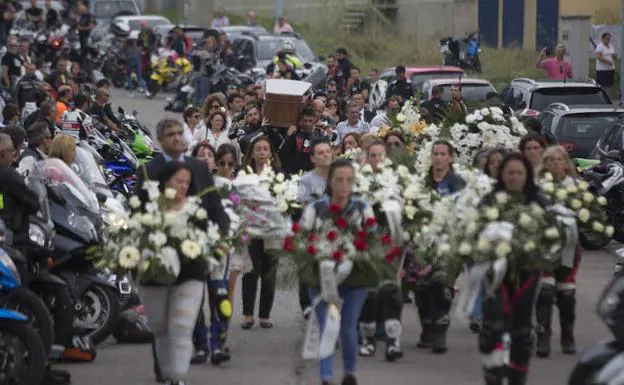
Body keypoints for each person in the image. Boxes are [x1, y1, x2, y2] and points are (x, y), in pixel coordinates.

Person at [135, 119, 229, 384]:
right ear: (160, 140)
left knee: (181, 323)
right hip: (157, 258)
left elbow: (215, 207)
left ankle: (177, 375)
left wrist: (221, 235)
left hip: (192, 257)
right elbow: (137, 210)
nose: (177, 138)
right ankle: (163, 371)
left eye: (180, 133)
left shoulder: (199, 168)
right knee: (161, 324)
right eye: (170, 134)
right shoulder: (147, 170)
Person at [298, 159, 374, 385]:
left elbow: (374, 238)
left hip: (355, 277)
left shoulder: (362, 207)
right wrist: (316, 253)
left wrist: (360, 251)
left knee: (349, 329)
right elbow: (301, 237)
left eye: (349, 180)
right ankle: (327, 378)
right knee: (327, 327)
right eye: (339, 180)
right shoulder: (316, 208)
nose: (344, 185)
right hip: (322, 277)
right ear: (330, 182)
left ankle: (350, 373)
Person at [477, 152, 547, 385]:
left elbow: (552, 233)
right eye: (510, 172)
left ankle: (518, 376)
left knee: (522, 331)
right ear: (502, 175)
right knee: (493, 326)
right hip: (495, 273)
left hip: (527, 272)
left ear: (527, 175)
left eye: (519, 173)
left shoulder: (538, 201)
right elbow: (473, 230)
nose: (515, 177)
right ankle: (493, 375)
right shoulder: (489, 200)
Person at [412, 140, 465, 355]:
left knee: (442, 285)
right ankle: (427, 328)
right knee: (422, 289)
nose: (439, 158)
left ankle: (440, 330)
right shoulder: (421, 183)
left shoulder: (458, 184)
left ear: (450, 158)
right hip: (422, 244)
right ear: (431, 156)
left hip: (448, 243)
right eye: (436, 153)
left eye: (444, 154)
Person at [356, 141, 404, 362]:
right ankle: (367, 340)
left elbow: (407, 211)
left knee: (390, 291)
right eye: (372, 156)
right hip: (366, 243)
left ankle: (394, 342)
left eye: (380, 156)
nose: (376, 160)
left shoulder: (398, 181)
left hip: (390, 243)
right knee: (369, 292)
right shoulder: (359, 182)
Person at [534, 145, 580, 358]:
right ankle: (543, 335)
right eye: (550, 159)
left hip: (568, 248)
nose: (555, 163)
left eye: (559, 159)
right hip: (543, 247)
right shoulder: (537, 187)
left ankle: (567, 335)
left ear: (565, 162)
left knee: (567, 294)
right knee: (544, 292)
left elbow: (586, 215)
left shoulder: (577, 187)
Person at [240, 136, 282, 330]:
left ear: (270, 153)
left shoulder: (279, 174)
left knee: (269, 273)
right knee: (250, 271)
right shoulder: (244, 173)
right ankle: (248, 314)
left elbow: (286, 198)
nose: (262, 153)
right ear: (252, 152)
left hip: (271, 229)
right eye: (258, 149)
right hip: (250, 228)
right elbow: (235, 195)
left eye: (266, 149)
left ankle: (265, 315)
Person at [0, 133, 41, 246]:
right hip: (13, 235)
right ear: (3, 154)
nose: (13, 154)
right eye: (11, 151)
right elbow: (32, 201)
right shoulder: (8, 175)